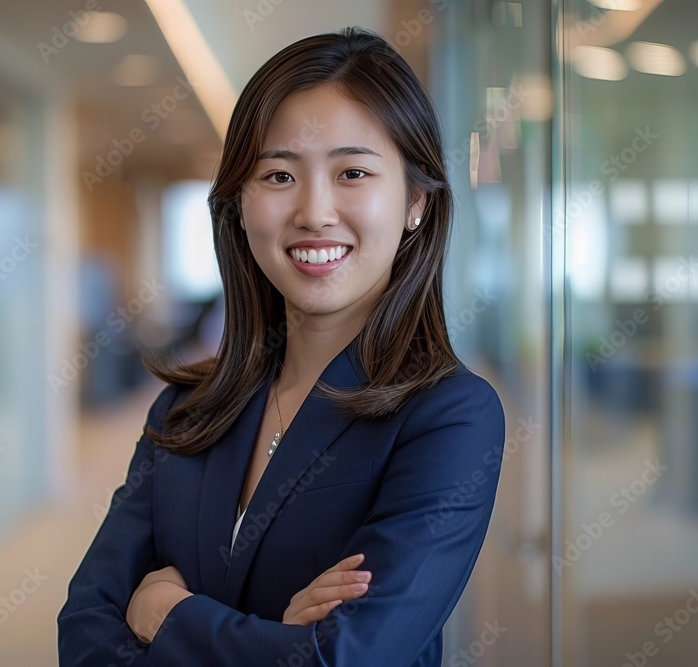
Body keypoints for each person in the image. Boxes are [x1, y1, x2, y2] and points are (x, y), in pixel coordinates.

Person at [58, 26, 505, 666]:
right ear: (239, 203)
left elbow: (347, 658)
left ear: (414, 201)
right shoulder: (185, 410)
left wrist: (166, 614)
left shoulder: (449, 418)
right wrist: (275, 638)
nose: (314, 212)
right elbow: (82, 634)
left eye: (352, 171)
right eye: (278, 175)